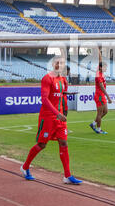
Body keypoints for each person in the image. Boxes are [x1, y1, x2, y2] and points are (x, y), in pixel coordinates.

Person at [20, 56, 82, 185]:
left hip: (59, 119)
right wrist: (57, 113)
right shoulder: (47, 78)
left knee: (64, 143)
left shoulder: (63, 79)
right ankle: (25, 167)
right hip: (48, 117)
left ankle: (67, 175)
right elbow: (44, 99)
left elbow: (62, 96)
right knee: (42, 145)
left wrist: (64, 111)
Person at [89, 53, 112, 134]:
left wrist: (99, 52)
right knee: (99, 113)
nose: (106, 69)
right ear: (101, 68)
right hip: (99, 95)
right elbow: (102, 88)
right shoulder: (99, 76)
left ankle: (93, 124)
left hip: (101, 95)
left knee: (105, 111)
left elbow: (100, 61)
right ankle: (98, 129)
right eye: (105, 67)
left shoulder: (100, 72)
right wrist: (108, 97)